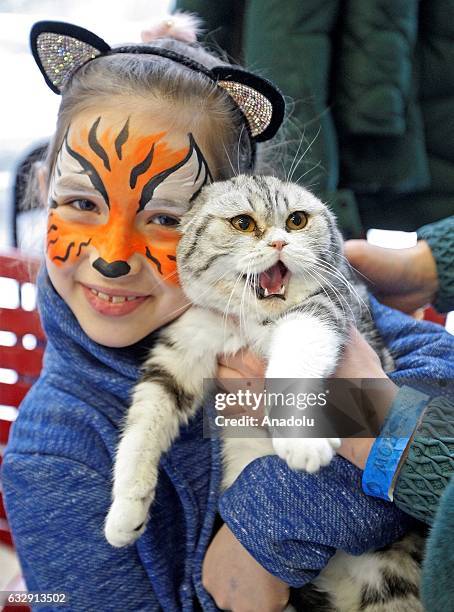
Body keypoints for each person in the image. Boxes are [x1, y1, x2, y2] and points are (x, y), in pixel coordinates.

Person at [2, 16, 452, 612]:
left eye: (165, 218)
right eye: (81, 203)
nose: (112, 258)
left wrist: (261, 526)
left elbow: (438, 389)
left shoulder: (288, 288)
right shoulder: (53, 452)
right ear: (43, 189)